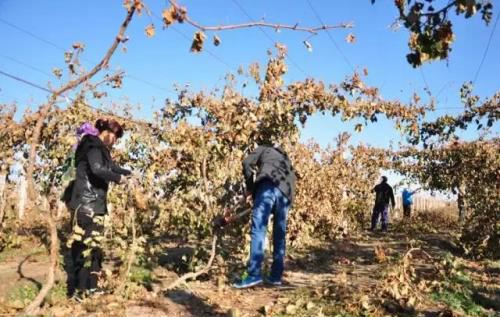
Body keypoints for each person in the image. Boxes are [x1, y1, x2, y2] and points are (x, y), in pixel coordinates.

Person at [68, 118, 130, 300]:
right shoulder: (93, 146)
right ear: (108, 133)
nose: (115, 141)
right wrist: (119, 179)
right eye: (116, 137)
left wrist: (128, 173)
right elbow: (97, 169)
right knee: (84, 248)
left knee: (95, 248)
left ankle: (92, 288)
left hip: (95, 204)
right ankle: (79, 291)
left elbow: (110, 167)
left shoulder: (99, 149)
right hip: (87, 205)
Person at [233, 144, 296, 289]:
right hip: (286, 193)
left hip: (268, 185)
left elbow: (247, 162)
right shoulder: (285, 158)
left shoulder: (263, 149)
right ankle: (275, 277)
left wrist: (250, 187)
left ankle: (254, 274)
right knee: (279, 235)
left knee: (258, 229)